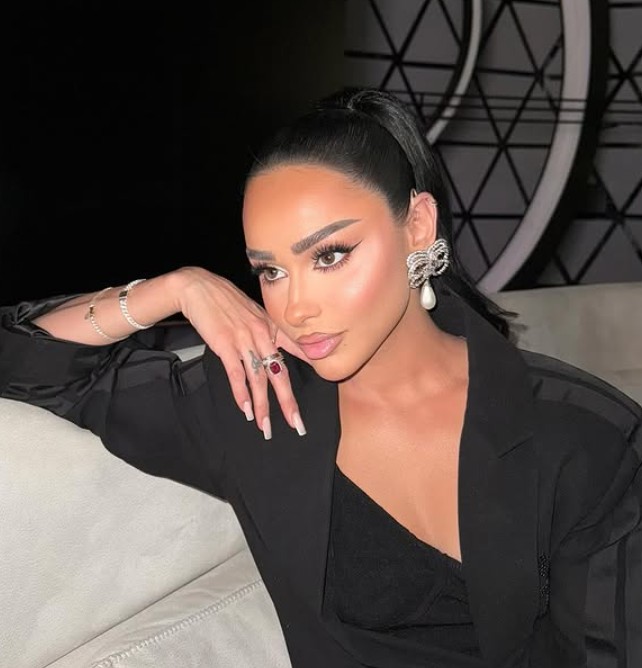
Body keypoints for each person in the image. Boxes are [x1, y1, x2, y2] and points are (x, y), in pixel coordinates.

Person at [0, 87, 641, 668]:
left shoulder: (586, 437)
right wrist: (175, 288)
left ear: (418, 226)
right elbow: (31, 363)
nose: (296, 307)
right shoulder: (257, 402)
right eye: (270, 271)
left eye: (330, 255)